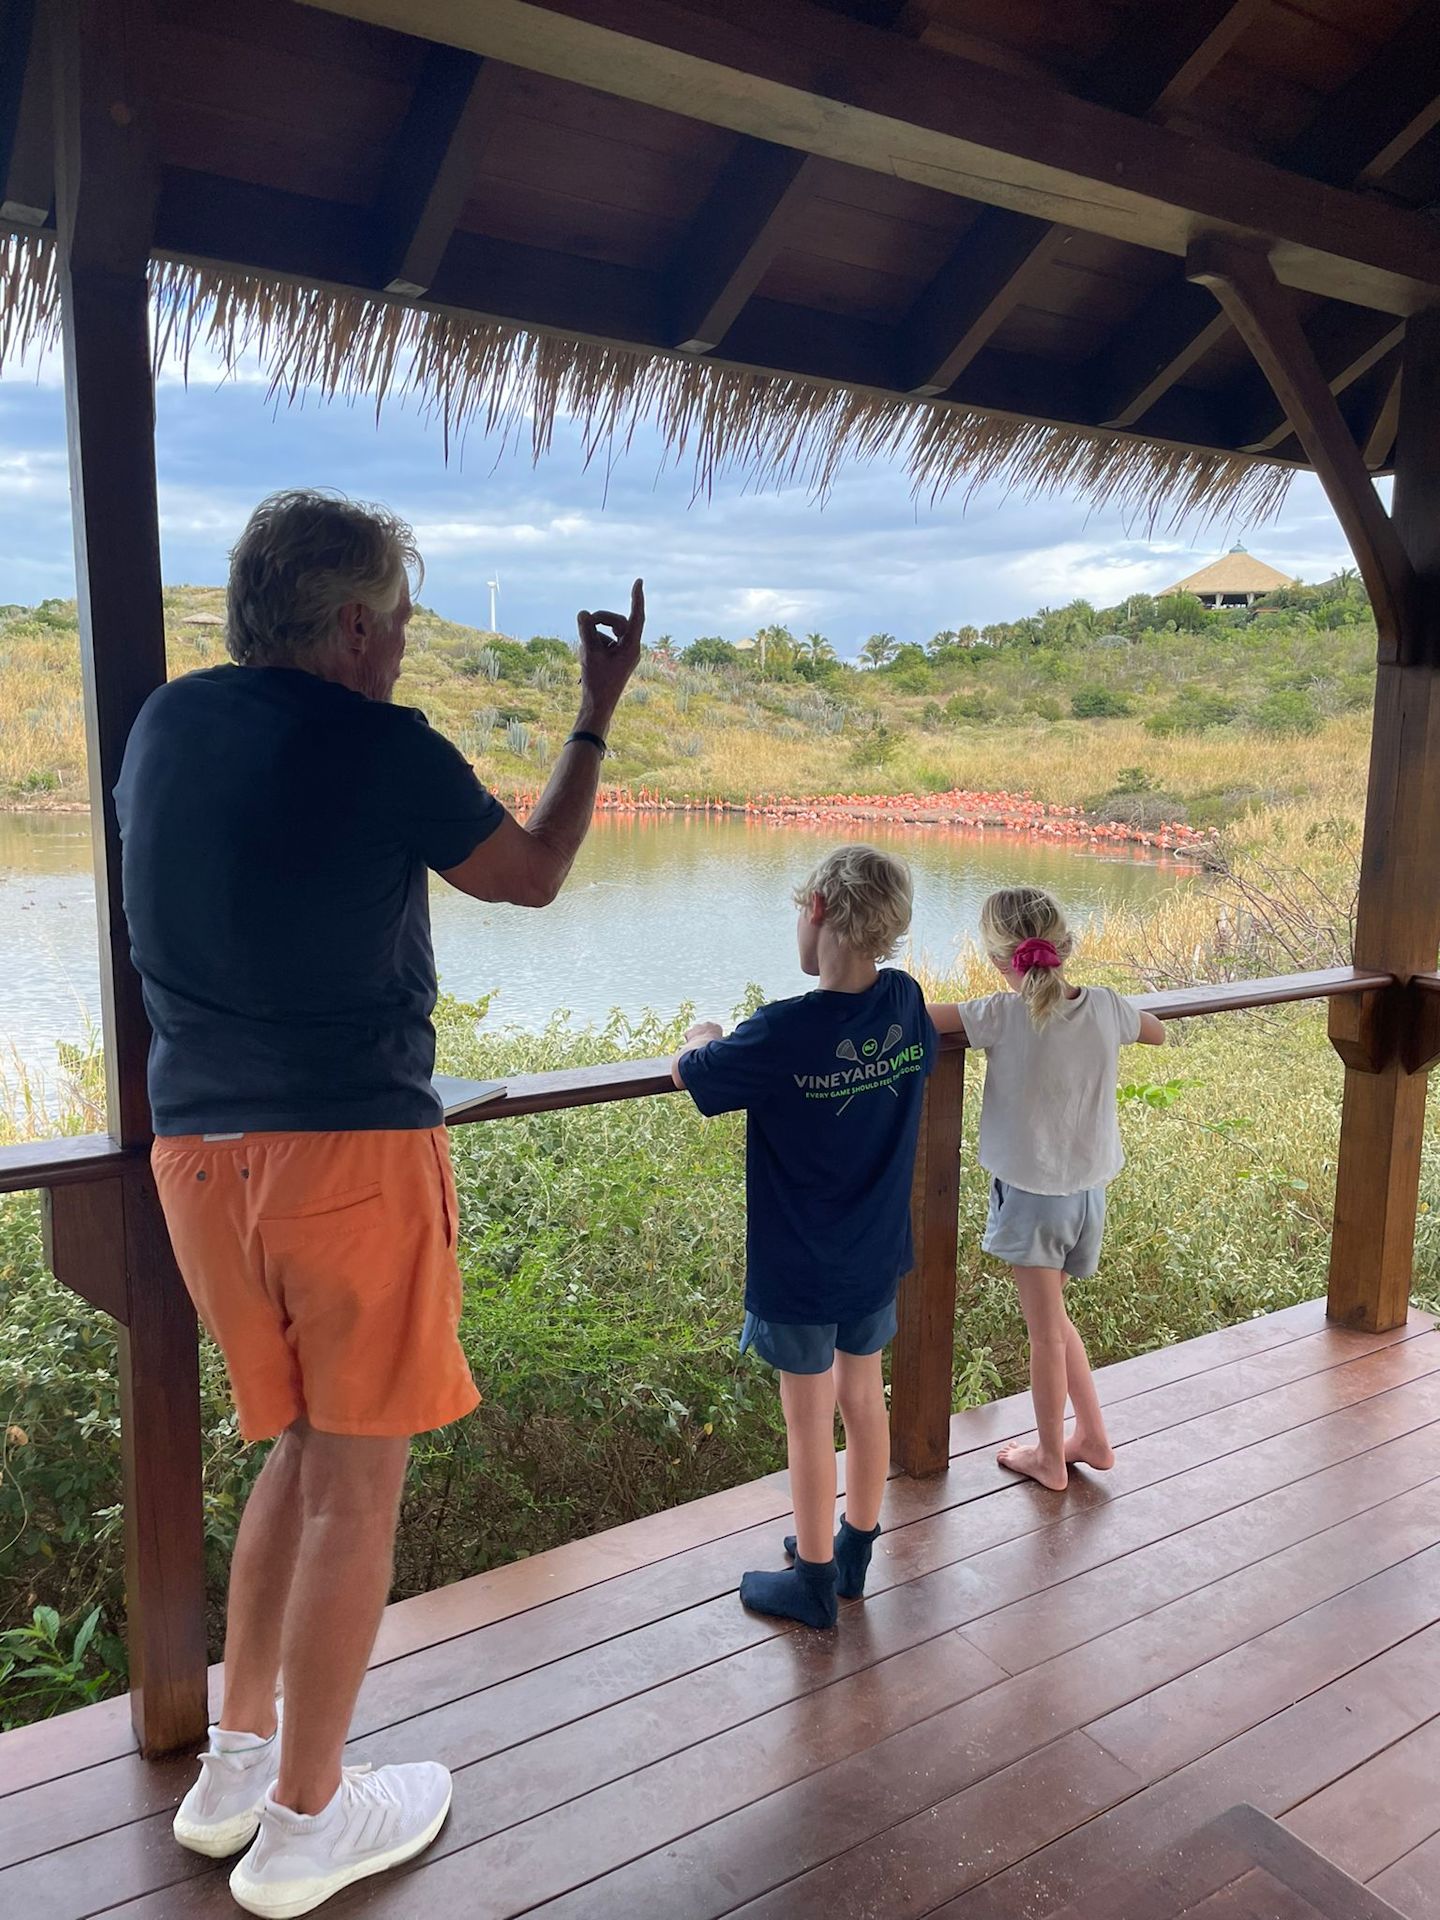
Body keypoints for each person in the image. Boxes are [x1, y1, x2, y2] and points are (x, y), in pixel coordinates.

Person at [115, 489, 642, 1917]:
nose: (405, 648)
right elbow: (529, 875)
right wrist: (596, 713)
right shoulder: (379, 742)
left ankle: (237, 1767)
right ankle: (305, 1821)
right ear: (352, 626)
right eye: (400, 623)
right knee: (358, 1485)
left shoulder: (164, 724)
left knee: (294, 1450)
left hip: (195, 1162)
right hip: (346, 1154)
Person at [673, 844, 936, 1629]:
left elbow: (694, 1071)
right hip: (875, 1250)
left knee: (806, 1417)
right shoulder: (905, 1002)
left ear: (818, 909)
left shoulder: (781, 1030)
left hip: (799, 1265)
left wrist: (700, 1029)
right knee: (865, 1398)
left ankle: (814, 1581)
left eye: (797, 907)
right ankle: (853, 1550)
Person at [930, 886, 1165, 1493]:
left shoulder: (999, 1015)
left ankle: (1049, 1460)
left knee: (1042, 1334)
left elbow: (921, 1018)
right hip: (1088, 1196)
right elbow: (1158, 1032)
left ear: (995, 958)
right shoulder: (1108, 1006)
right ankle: (1091, 1437)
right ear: (1066, 947)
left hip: (1032, 1197)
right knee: (1057, 1322)